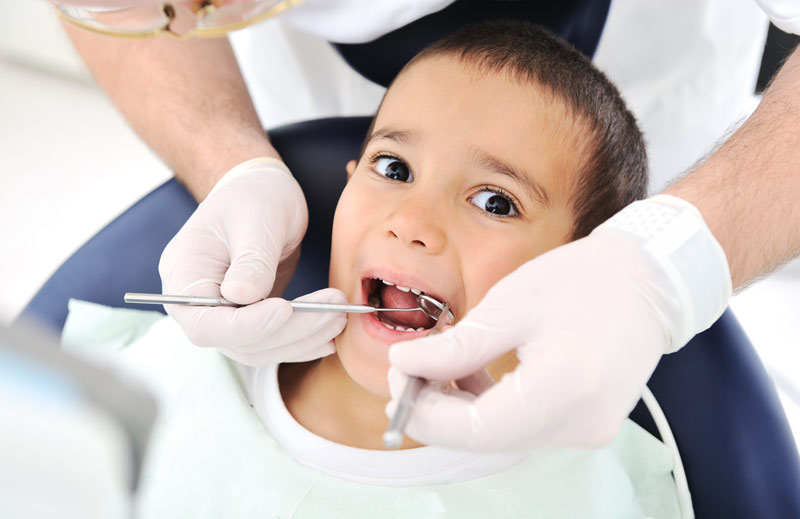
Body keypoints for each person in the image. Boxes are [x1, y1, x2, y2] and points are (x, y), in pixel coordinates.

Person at [53, 0, 800, 451]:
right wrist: (231, 162)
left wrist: (661, 269)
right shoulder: (163, 402)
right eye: (390, 170)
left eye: (495, 203)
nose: (411, 224)